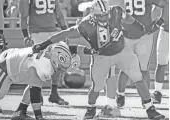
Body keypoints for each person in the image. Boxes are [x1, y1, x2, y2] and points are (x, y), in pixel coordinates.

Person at [30, 0, 165, 119]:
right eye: (100, 16)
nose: (104, 18)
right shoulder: (86, 24)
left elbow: (127, 17)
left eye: (106, 15)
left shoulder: (116, 11)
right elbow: (66, 33)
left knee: (138, 77)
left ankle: (150, 109)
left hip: (122, 51)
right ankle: (91, 107)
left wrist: (137, 24)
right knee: (96, 87)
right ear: (93, 15)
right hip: (102, 57)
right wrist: (44, 44)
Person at [0, 41, 80, 120]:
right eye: (60, 68)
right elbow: (35, 93)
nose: (60, 71)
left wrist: (89, 50)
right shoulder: (43, 65)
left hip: (9, 68)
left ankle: (20, 111)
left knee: (36, 83)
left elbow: (72, 47)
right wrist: (39, 117)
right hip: (2, 68)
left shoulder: (52, 53)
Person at [11, 0, 69, 119]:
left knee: (57, 65)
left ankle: (51, 93)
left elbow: (58, 14)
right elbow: (23, 16)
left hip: (53, 33)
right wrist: (26, 36)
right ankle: (22, 108)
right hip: (37, 34)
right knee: (37, 75)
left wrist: (64, 32)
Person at [116, 0, 169, 108]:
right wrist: (159, 22)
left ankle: (144, 99)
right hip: (135, 34)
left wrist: (159, 22)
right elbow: (166, 3)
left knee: (142, 69)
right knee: (128, 68)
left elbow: (166, 3)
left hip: (143, 35)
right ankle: (121, 95)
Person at [151, 3, 169, 104]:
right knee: (161, 63)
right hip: (166, 31)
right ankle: (157, 92)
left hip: (165, 31)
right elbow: (156, 9)